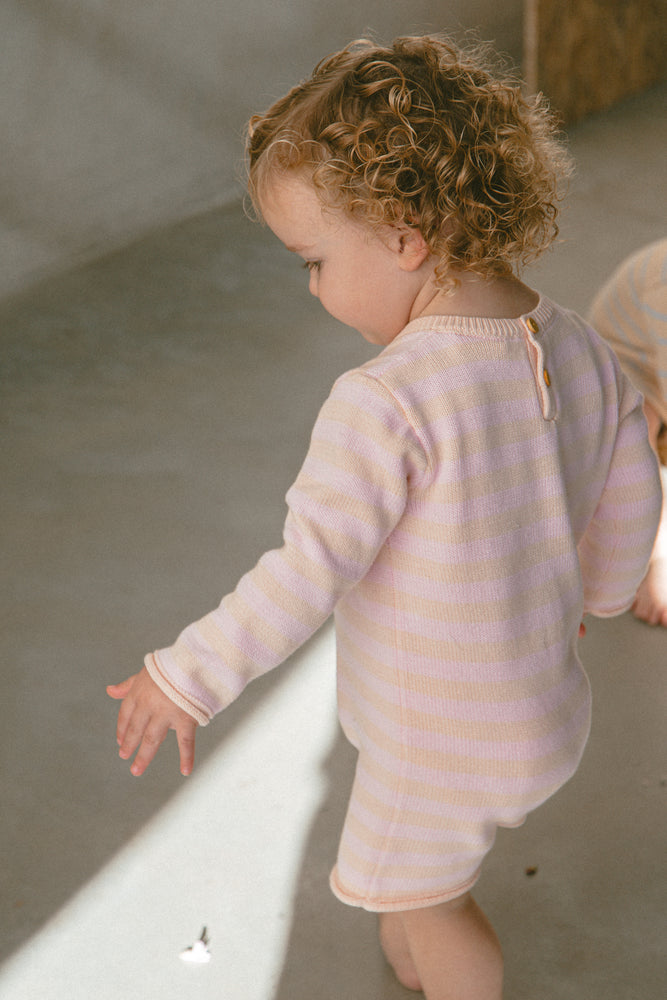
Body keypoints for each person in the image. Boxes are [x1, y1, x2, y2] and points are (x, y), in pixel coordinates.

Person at [107, 36, 661, 1000]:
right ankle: (412, 963)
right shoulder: (568, 337)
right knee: (426, 879)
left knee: (424, 901)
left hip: (438, 736)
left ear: (404, 238)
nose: (314, 287)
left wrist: (185, 676)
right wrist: (604, 596)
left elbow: (303, 573)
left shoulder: (387, 403)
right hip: (542, 708)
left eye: (314, 260)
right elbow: (628, 492)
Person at [589, 238, 667, 627]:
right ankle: (649, 566)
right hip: (622, 370)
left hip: (655, 366)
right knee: (642, 438)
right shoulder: (663, 288)